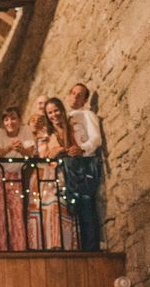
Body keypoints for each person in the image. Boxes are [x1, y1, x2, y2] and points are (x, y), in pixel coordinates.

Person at [26, 99, 78, 250]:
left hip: (65, 174)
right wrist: (59, 150)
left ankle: (67, 245)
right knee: (51, 208)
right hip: (47, 177)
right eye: (50, 112)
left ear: (62, 110)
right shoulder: (45, 133)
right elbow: (44, 154)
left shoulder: (70, 128)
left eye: (56, 110)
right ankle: (51, 245)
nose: (54, 115)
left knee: (64, 208)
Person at [0, 107, 34, 251]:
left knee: (17, 213)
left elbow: (31, 154)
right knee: (0, 215)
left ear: (19, 120)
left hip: (17, 176)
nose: (10, 122)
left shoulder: (25, 131)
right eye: (6, 119)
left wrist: (21, 149)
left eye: (13, 118)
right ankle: (0, 250)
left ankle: (20, 248)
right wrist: (10, 147)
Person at [65, 83, 103, 251]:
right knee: (74, 205)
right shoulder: (66, 117)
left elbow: (96, 139)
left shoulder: (87, 114)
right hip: (72, 164)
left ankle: (91, 246)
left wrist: (82, 149)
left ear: (85, 100)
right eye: (73, 93)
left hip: (86, 162)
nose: (75, 97)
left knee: (86, 203)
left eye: (79, 95)